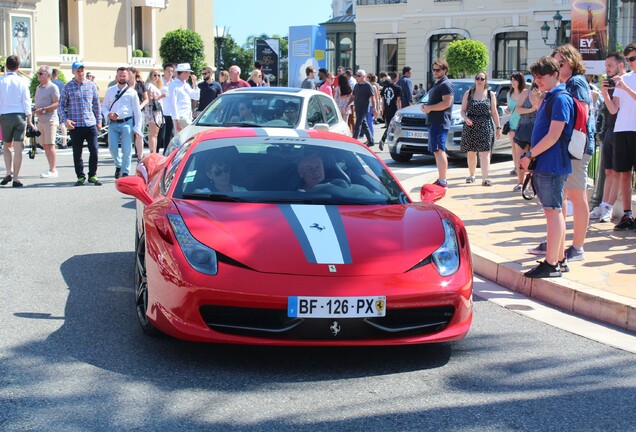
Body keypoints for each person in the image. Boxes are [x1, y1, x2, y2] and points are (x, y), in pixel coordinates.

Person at [520, 56, 575, 278]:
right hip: (549, 163)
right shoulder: (551, 98)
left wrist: (530, 154)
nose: (538, 81)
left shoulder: (560, 99)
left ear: (555, 75)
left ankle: (552, 263)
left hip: (551, 164)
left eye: (541, 77)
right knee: (555, 211)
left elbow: (554, 135)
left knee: (553, 212)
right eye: (535, 78)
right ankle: (558, 259)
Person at [551, 44, 595, 262]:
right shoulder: (568, 83)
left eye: (561, 62)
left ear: (571, 61)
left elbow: (582, 113)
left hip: (576, 147)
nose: (558, 66)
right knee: (565, 195)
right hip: (572, 147)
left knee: (577, 197)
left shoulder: (576, 82)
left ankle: (577, 248)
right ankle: (558, 242)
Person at [591, 53, 627, 223]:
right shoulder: (611, 84)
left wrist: (606, 95)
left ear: (621, 65)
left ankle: (609, 207)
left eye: (610, 65)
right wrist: (604, 93)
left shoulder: (625, 82)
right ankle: (604, 203)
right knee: (608, 171)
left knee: (619, 172)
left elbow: (615, 109)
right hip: (610, 129)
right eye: (606, 65)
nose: (607, 69)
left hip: (623, 131)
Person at [604, 42, 636, 231]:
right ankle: (627, 214)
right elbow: (614, 109)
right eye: (629, 59)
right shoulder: (622, 80)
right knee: (624, 173)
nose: (631, 62)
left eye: (633, 58)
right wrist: (605, 94)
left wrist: (624, 88)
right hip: (621, 130)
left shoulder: (624, 83)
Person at [58, 61, 103, 186]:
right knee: (77, 152)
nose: (80, 73)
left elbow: (96, 104)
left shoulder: (91, 85)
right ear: (73, 72)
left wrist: (99, 120)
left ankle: (92, 175)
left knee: (94, 150)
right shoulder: (67, 87)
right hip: (76, 124)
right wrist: (65, 120)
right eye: (78, 71)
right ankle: (80, 176)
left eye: (82, 70)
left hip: (90, 123)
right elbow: (61, 105)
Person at [459, 72, 501, 186]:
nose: (479, 80)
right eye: (477, 78)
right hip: (471, 125)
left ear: (485, 81)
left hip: (485, 125)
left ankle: (484, 178)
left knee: (485, 153)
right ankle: (472, 175)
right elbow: (462, 110)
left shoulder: (490, 94)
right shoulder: (468, 93)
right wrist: (466, 118)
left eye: (482, 79)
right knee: (471, 152)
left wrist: (498, 127)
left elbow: (494, 112)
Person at [102, 67, 142, 179]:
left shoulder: (132, 93)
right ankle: (118, 164)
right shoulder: (110, 90)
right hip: (113, 123)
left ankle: (125, 172)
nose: (122, 77)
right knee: (113, 148)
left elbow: (137, 112)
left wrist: (137, 127)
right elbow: (104, 106)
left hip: (127, 122)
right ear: (116, 76)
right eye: (120, 75)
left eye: (124, 75)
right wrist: (108, 114)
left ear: (128, 77)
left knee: (127, 149)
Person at [0, 55, 33, 187]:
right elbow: (26, 101)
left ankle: (8, 171)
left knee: (7, 146)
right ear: (18, 67)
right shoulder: (23, 81)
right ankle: (16, 178)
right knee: (18, 147)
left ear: (6, 66)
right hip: (19, 115)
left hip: (5, 115)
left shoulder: (1, 81)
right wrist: (29, 118)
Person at [422, 59, 453, 188]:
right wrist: (427, 107)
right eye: (433, 70)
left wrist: (430, 108)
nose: (435, 72)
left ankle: (443, 180)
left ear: (444, 70)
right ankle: (441, 179)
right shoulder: (438, 84)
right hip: (434, 121)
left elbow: (447, 103)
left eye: (437, 70)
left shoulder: (445, 84)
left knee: (440, 150)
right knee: (436, 150)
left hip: (440, 122)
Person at [34, 65, 60, 179]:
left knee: (50, 145)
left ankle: (53, 170)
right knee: (45, 145)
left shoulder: (53, 87)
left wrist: (43, 110)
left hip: (50, 120)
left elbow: (57, 104)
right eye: (38, 73)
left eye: (41, 73)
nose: (38, 75)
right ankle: (51, 168)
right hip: (40, 120)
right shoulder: (38, 88)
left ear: (48, 75)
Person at [512, 80, 539, 191]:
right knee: (520, 157)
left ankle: (532, 183)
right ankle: (520, 182)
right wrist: (530, 110)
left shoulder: (544, 94)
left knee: (533, 158)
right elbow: (518, 109)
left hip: (537, 130)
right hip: (523, 128)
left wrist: (537, 97)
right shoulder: (525, 92)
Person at [168, 63, 200, 134]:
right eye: (188, 72)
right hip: (180, 117)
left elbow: (196, 96)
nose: (189, 75)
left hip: (187, 117)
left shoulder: (186, 85)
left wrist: (195, 83)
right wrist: (176, 121)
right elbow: (173, 104)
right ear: (182, 73)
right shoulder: (174, 85)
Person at [507, 72, 527, 188]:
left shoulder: (524, 93)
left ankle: (522, 167)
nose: (513, 82)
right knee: (513, 147)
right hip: (512, 123)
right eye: (512, 79)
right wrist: (508, 110)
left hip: (522, 124)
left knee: (521, 148)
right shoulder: (510, 93)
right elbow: (510, 107)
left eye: (515, 79)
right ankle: (516, 166)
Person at [128, 67, 149, 160]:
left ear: (134, 73)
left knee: (139, 133)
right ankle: (129, 154)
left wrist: (140, 106)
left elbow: (146, 98)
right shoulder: (124, 85)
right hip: (128, 112)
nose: (128, 75)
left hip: (140, 112)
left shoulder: (140, 84)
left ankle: (140, 156)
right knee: (129, 134)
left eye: (129, 73)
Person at [144, 68, 166, 153]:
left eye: (158, 75)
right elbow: (150, 99)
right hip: (152, 111)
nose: (156, 77)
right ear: (150, 76)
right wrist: (161, 96)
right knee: (153, 134)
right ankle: (152, 151)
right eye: (154, 75)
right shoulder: (149, 86)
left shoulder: (155, 86)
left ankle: (154, 151)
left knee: (155, 134)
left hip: (157, 111)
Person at [379, 71, 402, 150]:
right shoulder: (398, 88)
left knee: (389, 125)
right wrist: (400, 110)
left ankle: (387, 140)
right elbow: (398, 100)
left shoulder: (385, 87)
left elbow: (382, 99)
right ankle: (384, 139)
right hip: (394, 109)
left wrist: (382, 110)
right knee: (391, 127)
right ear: (396, 78)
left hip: (386, 109)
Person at [159, 63, 175, 154]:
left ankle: (166, 151)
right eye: (168, 71)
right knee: (160, 133)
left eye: (172, 71)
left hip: (170, 111)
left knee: (169, 133)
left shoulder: (174, 83)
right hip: (161, 110)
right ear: (164, 71)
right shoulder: (160, 81)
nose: (170, 73)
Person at [51, 68, 67, 149]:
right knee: (62, 124)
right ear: (57, 74)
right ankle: (64, 142)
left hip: (53, 105)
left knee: (53, 124)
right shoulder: (62, 83)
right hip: (61, 105)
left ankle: (53, 142)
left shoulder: (50, 83)